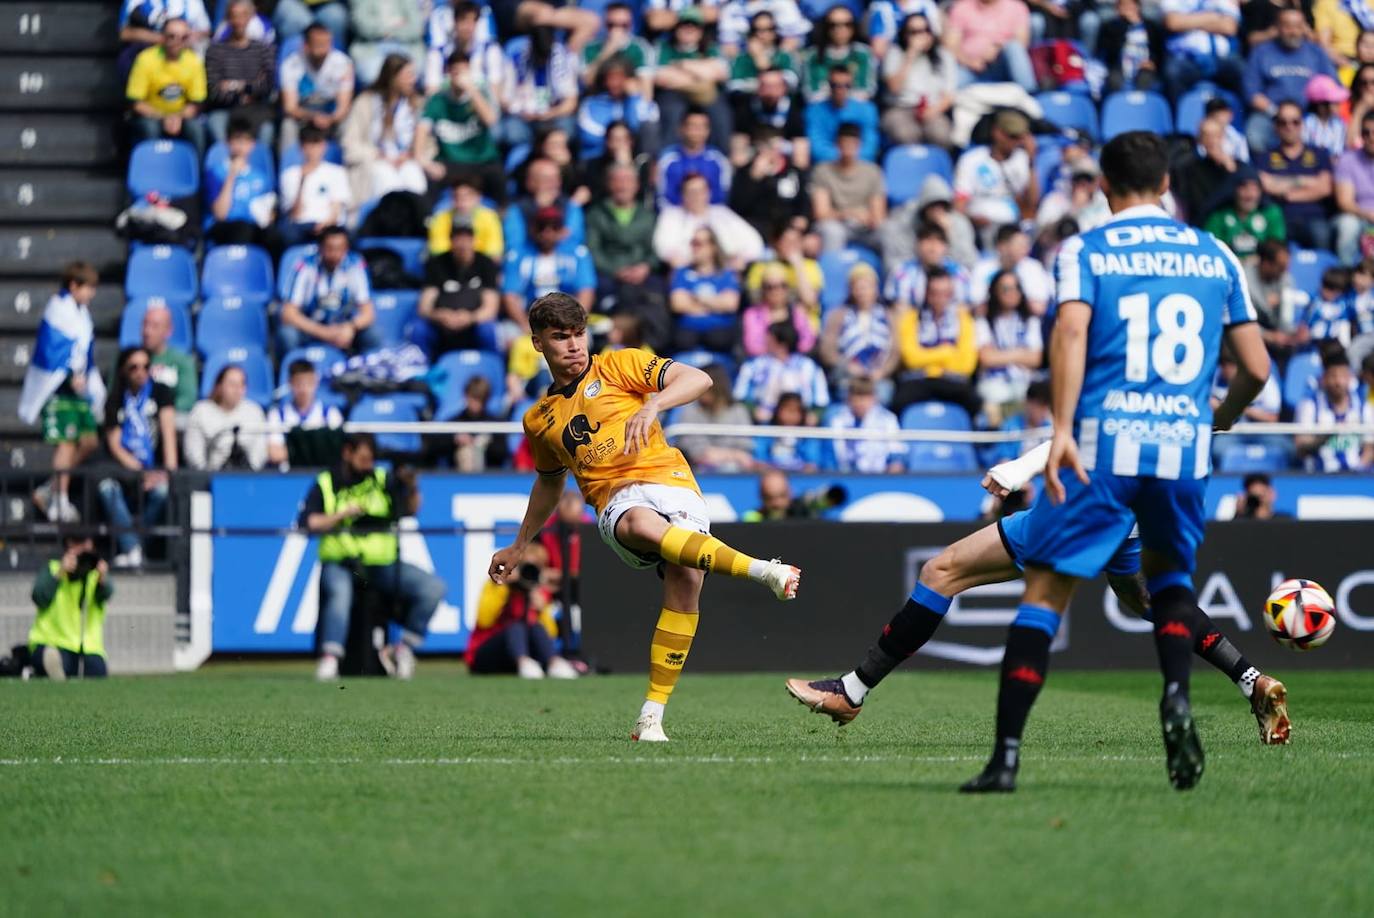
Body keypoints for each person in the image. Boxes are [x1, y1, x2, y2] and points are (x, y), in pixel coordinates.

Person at [957, 130, 1272, 792]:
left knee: (1044, 594)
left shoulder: (1088, 248)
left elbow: (1070, 331)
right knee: (1170, 583)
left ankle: (1005, 758)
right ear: (1166, 185)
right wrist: (1224, 414)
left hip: (1105, 446)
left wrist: (1062, 428)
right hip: (1182, 449)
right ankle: (1177, 696)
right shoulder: (1215, 253)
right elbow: (1257, 367)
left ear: (1102, 186)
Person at [784, 438, 1292, 748]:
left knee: (942, 571)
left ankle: (851, 691)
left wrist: (1018, 470)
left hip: (1083, 509)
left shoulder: (1113, 345)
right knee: (1147, 603)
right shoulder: (1179, 380)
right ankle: (1251, 680)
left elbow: (1078, 434)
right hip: (1139, 520)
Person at [488, 292, 801, 741]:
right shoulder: (539, 419)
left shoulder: (619, 365)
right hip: (615, 500)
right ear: (538, 344)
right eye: (561, 337)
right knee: (638, 523)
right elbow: (550, 483)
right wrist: (520, 545)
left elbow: (698, 379)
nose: (574, 346)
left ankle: (650, 717)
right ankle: (761, 570)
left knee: (686, 580)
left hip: (671, 479)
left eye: (579, 334)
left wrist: (654, 404)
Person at [303, 432, 446, 681]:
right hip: (343, 562)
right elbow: (310, 522)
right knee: (339, 594)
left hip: (382, 565)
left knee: (433, 588)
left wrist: (410, 485)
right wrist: (341, 515)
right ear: (347, 453)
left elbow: (411, 510)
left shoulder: (383, 480)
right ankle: (330, 659)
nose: (368, 464)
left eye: (371, 459)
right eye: (363, 458)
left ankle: (402, 650)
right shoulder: (327, 481)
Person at [19, 263, 104, 524]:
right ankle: (60, 499)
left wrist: (85, 377)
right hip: (58, 389)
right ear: (73, 285)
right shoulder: (58, 310)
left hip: (77, 390)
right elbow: (53, 351)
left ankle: (48, 489)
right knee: (66, 443)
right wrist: (70, 373)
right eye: (88, 287)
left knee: (89, 441)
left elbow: (83, 351)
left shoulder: (82, 313)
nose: (92, 294)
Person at [98, 347, 178, 569]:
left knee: (162, 492)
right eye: (134, 367)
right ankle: (134, 548)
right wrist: (140, 471)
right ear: (123, 371)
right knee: (107, 489)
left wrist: (168, 473)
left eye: (145, 366)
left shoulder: (161, 393)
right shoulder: (115, 398)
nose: (140, 372)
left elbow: (169, 436)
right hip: (125, 469)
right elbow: (115, 445)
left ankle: (134, 547)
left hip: (156, 467)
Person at [586, 163, 667, 348]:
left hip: (643, 274)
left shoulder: (648, 216)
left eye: (628, 181)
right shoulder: (596, 214)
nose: (622, 186)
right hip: (609, 275)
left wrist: (645, 267)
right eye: (617, 180)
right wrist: (615, 270)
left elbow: (655, 250)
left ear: (637, 185)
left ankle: (651, 347)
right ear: (609, 184)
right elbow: (593, 250)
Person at [469, 542, 579, 678]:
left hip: (521, 656)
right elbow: (484, 620)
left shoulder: (538, 592)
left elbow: (549, 635)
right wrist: (504, 587)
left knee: (535, 627)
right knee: (516, 627)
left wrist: (541, 609)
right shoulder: (497, 585)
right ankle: (523, 662)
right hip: (488, 654)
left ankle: (553, 662)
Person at [1243, 8, 1338, 155]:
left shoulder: (1316, 53)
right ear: (1277, 27)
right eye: (1287, 26)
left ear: (1304, 28)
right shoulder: (1261, 52)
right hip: (1271, 114)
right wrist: (1278, 113)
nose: (1293, 31)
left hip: (1310, 115)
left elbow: (1332, 86)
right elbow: (1251, 93)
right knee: (1255, 135)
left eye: (1298, 26)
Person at [341, 53, 430, 203]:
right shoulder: (366, 102)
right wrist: (378, 154)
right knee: (386, 178)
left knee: (414, 176)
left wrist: (411, 154)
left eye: (413, 75)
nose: (413, 80)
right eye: (408, 75)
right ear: (393, 77)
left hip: (407, 161)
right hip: (375, 162)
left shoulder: (417, 104)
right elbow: (350, 143)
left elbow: (429, 143)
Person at [892, 267, 980, 416]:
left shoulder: (963, 320)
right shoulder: (911, 318)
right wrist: (947, 352)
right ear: (926, 293)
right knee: (899, 402)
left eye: (945, 293)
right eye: (935, 293)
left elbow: (967, 365)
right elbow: (911, 359)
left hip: (953, 381)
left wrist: (927, 358)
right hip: (918, 380)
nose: (940, 299)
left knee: (974, 402)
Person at [279, 226, 379, 354]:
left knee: (373, 335)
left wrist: (350, 327)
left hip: (343, 329)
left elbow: (368, 313)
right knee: (287, 335)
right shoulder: (306, 266)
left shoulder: (355, 265)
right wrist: (323, 332)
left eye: (340, 249)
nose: (335, 254)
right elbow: (288, 314)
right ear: (320, 248)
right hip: (311, 328)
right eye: (330, 249)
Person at [415, 52, 501, 197]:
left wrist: (471, 90)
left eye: (464, 71)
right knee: (429, 183)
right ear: (448, 73)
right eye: (456, 72)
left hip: (482, 160)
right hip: (451, 161)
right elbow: (421, 129)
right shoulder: (437, 100)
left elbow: (490, 120)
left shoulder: (480, 95)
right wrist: (423, 161)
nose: (460, 76)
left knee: (499, 180)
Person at [28, 535, 113, 680]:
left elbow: (107, 593)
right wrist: (61, 572)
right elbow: (39, 597)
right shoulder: (53, 568)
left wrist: (102, 578)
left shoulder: (95, 575)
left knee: (98, 671)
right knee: (53, 659)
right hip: (52, 641)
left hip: (88, 647)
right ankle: (44, 669)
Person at [953, 109, 1039, 247]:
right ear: (997, 133)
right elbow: (960, 204)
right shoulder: (971, 160)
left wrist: (1031, 162)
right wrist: (971, 220)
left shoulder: (1023, 160)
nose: (1017, 142)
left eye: (1020, 138)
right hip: (980, 225)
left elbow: (1031, 205)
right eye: (1012, 136)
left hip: (1012, 226)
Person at [1258, 100, 1335, 252]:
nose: (1289, 127)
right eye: (1283, 122)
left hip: (1314, 218)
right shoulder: (1264, 156)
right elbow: (1266, 185)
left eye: (1295, 122)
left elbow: (1325, 188)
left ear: (1302, 124)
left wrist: (1287, 193)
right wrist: (1306, 181)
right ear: (1275, 126)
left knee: (1322, 236)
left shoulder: (1320, 154)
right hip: (1280, 218)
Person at [652, 7, 733, 151]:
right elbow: (661, 77)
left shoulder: (711, 48)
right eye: (684, 24)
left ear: (701, 31)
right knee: (672, 113)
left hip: (706, 96)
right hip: (673, 95)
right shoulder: (663, 47)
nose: (689, 29)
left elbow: (721, 73)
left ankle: (721, 157)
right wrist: (702, 74)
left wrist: (681, 65)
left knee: (720, 114)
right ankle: (667, 157)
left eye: (694, 25)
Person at [501, 206, 597, 327]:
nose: (548, 232)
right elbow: (510, 296)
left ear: (562, 230)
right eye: (542, 227)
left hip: (568, 321)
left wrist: (574, 324)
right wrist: (525, 325)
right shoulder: (517, 256)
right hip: (527, 321)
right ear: (533, 229)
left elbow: (586, 292)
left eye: (554, 227)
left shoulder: (578, 254)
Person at [125, 17, 208, 154]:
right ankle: (151, 172)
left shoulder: (194, 61)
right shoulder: (145, 59)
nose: (177, 42)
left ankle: (196, 174)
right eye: (172, 36)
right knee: (150, 128)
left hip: (182, 117)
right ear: (163, 37)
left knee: (196, 129)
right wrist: (164, 117)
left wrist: (177, 118)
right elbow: (135, 102)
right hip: (151, 115)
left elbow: (197, 103)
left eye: (183, 37)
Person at [420, 217, 501, 356]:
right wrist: (439, 315)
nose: (463, 244)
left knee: (488, 330)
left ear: (474, 240)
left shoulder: (486, 264)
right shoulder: (436, 264)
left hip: (474, 323)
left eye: (467, 238)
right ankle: (420, 372)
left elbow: (491, 307)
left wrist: (469, 317)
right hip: (442, 323)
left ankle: (491, 369)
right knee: (419, 329)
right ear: (451, 241)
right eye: (458, 238)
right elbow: (424, 307)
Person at [653, 172, 765, 268]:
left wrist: (741, 259)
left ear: (708, 193)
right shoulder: (671, 216)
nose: (697, 196)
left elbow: (754, 242)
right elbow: (663, 247)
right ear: (683, 195)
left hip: (723, 272)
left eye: (701, 191)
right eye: (692, 192)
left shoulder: (722, 213)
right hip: (687, 272)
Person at [204, 0, 277, 149]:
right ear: (227, 19)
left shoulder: (263, 49)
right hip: (224, 109)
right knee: (216, 126)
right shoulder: (215, 51)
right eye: (234, 16)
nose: (238, 21)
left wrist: (234, 85)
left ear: (250, 17)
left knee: (267, 131)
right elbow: (214, 90)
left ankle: (258, 168)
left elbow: (267, 86)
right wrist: (249, 89)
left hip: (255, 109)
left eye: (243, 16)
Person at [975, 270, 1044, 426]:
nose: (1012, 293)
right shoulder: (983, 322)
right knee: (992, 406)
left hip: (1025, 384)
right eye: (1005, 289)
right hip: (993, 384)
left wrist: (1000, 355)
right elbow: (986, 358)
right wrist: (1021, 353)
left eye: (1016, 288)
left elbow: (1036, 358)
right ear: (995, 292)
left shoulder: (1030, 321)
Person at [819, 263, 899, 394]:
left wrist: (882, 371)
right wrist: (849, 367)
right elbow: (828, 350)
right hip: (848, 376)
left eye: (867, 287)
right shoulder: (838, 315)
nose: (862, 292)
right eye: (858, 288)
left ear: (876, 289)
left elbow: (895, 351)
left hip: (879, 377)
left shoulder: (889, 316)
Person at [496, 27, 579, 149]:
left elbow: (571, 101)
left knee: (567, 128)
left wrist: (550, 113)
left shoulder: (561, 57)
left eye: (545, 56)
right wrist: (520, 110)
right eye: (539, 55)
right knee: (512, 133)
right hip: (522, 117)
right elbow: (503, 98)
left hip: (551, 116)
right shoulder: (516, 53)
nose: (542, 60)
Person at [880, 13, 956, 147]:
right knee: (906, 135)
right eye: (914, 32)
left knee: (942, 136)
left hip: (932, 108)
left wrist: (932, 111)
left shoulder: (943, 55)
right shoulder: (894, 53)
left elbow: (949, 96)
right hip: (900, 108)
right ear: (905, 34)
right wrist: (910, 55)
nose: (922, 36)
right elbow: (894, 87)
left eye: (926, 30)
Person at [278, 22, 355, 152]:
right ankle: (289, 166)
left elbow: (343, 108)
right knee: (288, 126)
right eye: (319, 45)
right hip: (303, 114)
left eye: (327, 44)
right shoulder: (291, 64)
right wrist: (313, 117)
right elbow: (290, 107)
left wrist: (330, 119)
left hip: (331, 115)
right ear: (306, 46)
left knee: (348, 125)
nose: (325, 49)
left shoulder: (343, 63)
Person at [810, 122, 886, 253]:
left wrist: (868, 219)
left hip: (864, 228)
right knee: (832, 232)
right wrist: (848, 214)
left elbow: (878, 215)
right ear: (837, 144)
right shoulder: (822, 171)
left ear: (859, 145)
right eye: (844, 143)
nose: (848, 148)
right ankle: (832, 272)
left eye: (852, 144)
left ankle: (895, 272)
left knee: (889, 232)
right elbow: (821, 213)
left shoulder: (873, 171)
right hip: (836, 224)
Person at [205, 117, 279, 250]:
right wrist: (231, 175)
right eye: (237, 141)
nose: (240, 147)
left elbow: (269, 208)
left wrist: (269, 216)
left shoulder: (261, 177)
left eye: (245, 142)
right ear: (228, 143)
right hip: (225, 227)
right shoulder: (216, 173)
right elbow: (220, 213)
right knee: (242, 230)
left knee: (274, 237)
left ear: (252, 145)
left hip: (253, 226)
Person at [735, 320, 830, 423]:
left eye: (769, 339)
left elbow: (822, 401)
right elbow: (739, 396)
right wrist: (754, 411)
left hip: (801, 427)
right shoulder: (753, 366)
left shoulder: (809, 367)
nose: (765, 342)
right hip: (762, 425)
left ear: (782, 344)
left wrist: (814, 415)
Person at [728, 126, 811, 240]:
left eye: (776, 146)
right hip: (755, 226)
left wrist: (802, 216)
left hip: (788, 226)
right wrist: (754, 179)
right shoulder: (745, 173)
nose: (772, 151)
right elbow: (738, 207)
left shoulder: (793, 171)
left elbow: (803, 200)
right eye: (767, 147)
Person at [1296, 349, 1374, 470]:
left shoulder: (1364, 406)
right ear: (1324, 378)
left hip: (1355, 478)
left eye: (1343, 375)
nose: (1338, 382)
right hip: (1318, 477)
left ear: (1350, 377)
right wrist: (1324, 438)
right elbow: (1301, 447)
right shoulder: (1310, 405)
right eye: (1333, 375)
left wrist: (1358, 469)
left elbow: (1370, 449)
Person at [278, 123, 352, 247]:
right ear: (302, 147)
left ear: (324, 146)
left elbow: (336, 209)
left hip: (328, 225)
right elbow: (295, 214)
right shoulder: (289, 175)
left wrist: (324, 225)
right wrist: (303, 180)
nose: (313, 150)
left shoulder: (337, 172)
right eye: (309, 145)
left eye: (317, 144)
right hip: (301, 226)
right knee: (287, 233)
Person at [669, 227, 742, 353]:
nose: (694, 248)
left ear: (712, 247)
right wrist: (716, 304)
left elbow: (731, 304)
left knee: (720, 338)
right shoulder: (681, 273)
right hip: (687, 337)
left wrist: (696, 298)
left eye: (699, 244)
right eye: (693, 243)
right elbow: (678, 304)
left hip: (720, 336)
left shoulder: (726, 274)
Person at [183, 364, 268, 470]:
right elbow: (194, 455)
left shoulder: (255, 411)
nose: (237, 389)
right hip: (211, 476)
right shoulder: (200, 411)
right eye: (232, 384)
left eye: (241, 384)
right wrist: (206, 477)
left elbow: (259, 452)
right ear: (219, 386)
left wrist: (250, 473)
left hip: (247, 476)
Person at [674, 364, 756, 471]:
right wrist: (731, 455)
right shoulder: (690, 409)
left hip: (735, 468)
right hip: (697, 469)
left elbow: (745, 449)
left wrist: (723, 456)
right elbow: (691, 449)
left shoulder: (738, 411)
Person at [579, 56, 661, 162]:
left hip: (633, 156)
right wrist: (617, 141)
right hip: (599, 159)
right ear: (604, 81)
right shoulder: (590, 104)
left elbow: (642, 129)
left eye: (620, 78)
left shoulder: (640, 100)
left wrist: (632, 99)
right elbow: (589, 137)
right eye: (612, 78)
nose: (616, 83)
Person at [1160, 0, 1244, 102]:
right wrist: (1211, 16)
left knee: (1243, 72)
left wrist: (1188, 20)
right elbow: (1173, 23)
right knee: (1172, 72)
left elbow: (1229, 27)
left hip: (1221, 57)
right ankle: (1177, 115)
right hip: (1185, 58)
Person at [266, 359, 344, 467]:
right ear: (290, 383)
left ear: (316, 382)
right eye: (298, 383)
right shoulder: (277, 415)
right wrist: (317, 447)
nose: (303, 389)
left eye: (308, 383)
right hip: (288, 477)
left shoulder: (331, 414)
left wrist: (291, 449)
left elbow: (338, 453)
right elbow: (275, 454)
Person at [944, 0, 1036, 92]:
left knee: (1014, 47)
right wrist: (970, 62)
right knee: (950, 88)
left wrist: (998, 48)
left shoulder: (1016, 7)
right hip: (970, 66)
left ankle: (1029, 92)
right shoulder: (962, 7)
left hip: (1001, 63)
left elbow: (1022, 42)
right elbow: (951, 45)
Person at [731, 68, 809, 171]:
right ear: (758, 88)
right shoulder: (746, 110)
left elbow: (802, 158)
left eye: (775, 86)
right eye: (766, 86)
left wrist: (784, 149)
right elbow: (738, 153)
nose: (770, 92)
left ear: (783, 88)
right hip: (755, 165)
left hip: (785, 166)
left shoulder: (794, 112)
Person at [504, 157, 587, 254]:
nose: (553, 184)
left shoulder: (571, 207)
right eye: (546, 179)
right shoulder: (517, 210)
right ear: (530, 183)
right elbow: (514, 246)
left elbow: (574, 241)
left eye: (556, 178)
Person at [656, 108, 732, 209]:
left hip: (711, 214)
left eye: (701, 127)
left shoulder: (718, 160)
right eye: (692, 126)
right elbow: (661, 197)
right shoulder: (667, 159)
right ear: (681, 129)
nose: (696, 131)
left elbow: (724, 195)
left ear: (708, 131)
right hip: (675, 214)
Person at [1204, 167, 1286, 259]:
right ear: (1234, 190)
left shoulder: (1271, 213)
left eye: (1254, 189)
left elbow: (1277, 249)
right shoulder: (1218, 216)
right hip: (1230, 269)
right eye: (1244, 188)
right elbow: (1211, 249)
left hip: (1260, 270)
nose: (1250, 195)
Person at [805, 65, 880, 164]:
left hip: (859, 166)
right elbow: (816, 148)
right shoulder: (814, 111)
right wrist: (844, 158)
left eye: (846, 85)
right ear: (828, 85)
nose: (840, 90)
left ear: (852, 86)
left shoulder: (867, 110)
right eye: (835, 85)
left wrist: (848, 159)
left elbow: (870, 147)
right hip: (827, 167)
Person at [800, 6, 878, 102]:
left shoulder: (863, 53)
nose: (839, 29)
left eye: (847, 24)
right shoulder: (812, 55)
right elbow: (809, 92)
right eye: (833, 25)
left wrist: (840, 98)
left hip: (855, 109)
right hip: (821, 110)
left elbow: (867, 89)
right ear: (826, 27)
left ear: (853, 27)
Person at [970, 225, 1053, 314]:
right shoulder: (982, 268)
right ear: (1002, 246)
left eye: (1026, 245)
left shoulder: (1033, 267)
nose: (1026, 250)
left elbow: (1039, 308)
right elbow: (978, 307)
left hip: (1025, 323)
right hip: (990, 323)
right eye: (1020, 245)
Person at [829, 375, 904, 473]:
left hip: (878, 476)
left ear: (874, 398)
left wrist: (894, 464)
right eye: (856, 397)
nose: (860, 403)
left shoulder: (887, 419)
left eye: (865, 397)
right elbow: (831, 454)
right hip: (844, 475)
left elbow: (896, 451)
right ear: (848, 398)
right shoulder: (837, 419)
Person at [740, 264, 816, 357]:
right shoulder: (753, 315)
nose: (776, 291)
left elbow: (807, 342)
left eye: (782, 286)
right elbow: (752, 346)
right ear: (763, 289)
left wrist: (786, 353)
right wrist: (776, 350)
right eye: (770, 287)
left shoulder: (797, 313)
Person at [427, 173, 503, 258]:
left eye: (467, 197)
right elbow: (437, 250)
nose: (462, 202)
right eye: (457, 197)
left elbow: (494, 252)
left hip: (482, 267)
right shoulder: (441, 219)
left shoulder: (490, 218)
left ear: (478, 197)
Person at [1097, 0, 1166, 93]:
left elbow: (1159, 49)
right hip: (1119, 66)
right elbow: (1109, 51)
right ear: (1117, 9)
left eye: (1130, 5)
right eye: (1123, 6)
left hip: (1144, 67)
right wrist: (1124, 24)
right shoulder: (1110, 27)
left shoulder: (1151, 26)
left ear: (1138, 7)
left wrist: (1153, 63)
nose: (1128, 8)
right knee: (1114, 81)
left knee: (1146, 79)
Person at [141, 303, 197, 414]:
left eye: (154, 326)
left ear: (168, 331)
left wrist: (159, 409)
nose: (147, 331)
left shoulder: (182, 361)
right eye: (145, 324)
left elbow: (187, 399)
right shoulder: (129, 359)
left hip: (171, 417)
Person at [1335, 110, 1374, 263]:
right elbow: (1344, 202)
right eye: (1366, 133)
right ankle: (1345, 274)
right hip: (1358, 216)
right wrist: (1369, 215)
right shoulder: (1348, 160)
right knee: (1347, 225)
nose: (1371, 137)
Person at [752, 391, 825, 469]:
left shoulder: (807, 434)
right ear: (778, 411)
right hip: (771, 475)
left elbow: (812, 461)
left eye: (795, 411)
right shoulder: (767, 431)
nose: (791, 415)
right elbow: (759, 458)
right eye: (787, 410)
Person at [1303, 73, 1350, 159]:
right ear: (1321, 106)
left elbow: (1338, 152)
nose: (1339, 105)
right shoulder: (1306, 123)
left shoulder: (1339, 124)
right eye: (1335, 102)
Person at [274, 0, 348, 44]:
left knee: (335, 17)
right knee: (296, 21)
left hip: (327, 3)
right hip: (292, 2)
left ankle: (337, 65)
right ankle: (292, 66)